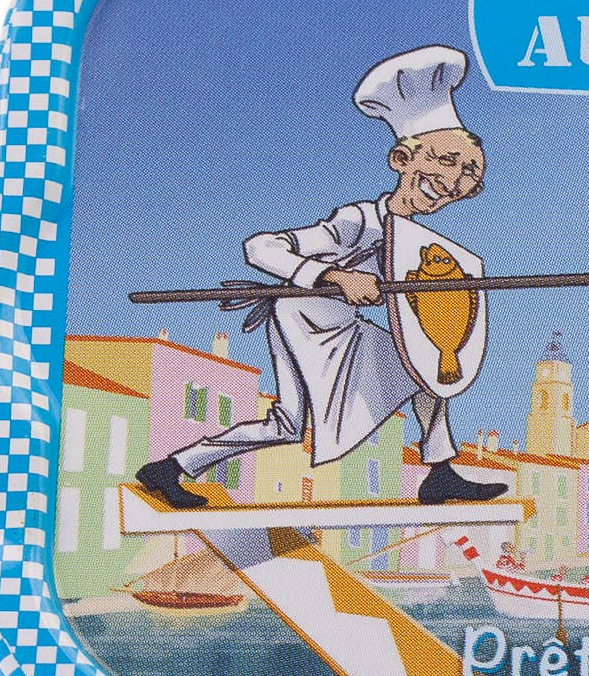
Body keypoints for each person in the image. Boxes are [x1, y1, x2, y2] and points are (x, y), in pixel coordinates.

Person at [133, 45, 507, 511]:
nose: (448, 187)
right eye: (442, 167)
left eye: (462, 181)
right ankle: (169, 469)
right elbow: (260, 247)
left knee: (428, 373)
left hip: (347, 329)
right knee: (289, 424)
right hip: (306, 319)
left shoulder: (417, 241)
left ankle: (440, 473)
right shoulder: (358, 220)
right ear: (401, 160)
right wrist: (334, 276)